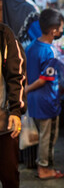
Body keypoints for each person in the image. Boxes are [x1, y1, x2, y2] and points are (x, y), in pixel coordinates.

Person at [25, 8, 64, 180]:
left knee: (43, 135)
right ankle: (45, 169)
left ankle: (43, 165)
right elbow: (43, 79)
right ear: (54, 30)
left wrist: (26, 91)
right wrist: (27, 89)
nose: (62, 30)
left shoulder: (31, 46)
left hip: (35, 100)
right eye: (61, 26)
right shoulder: (49, 51)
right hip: (46, 100)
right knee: (48, 137)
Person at [0, 23, 27, 188]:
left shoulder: (4, 35)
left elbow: (16, 75)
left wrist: (16, 111)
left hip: (3, 123)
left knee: (9, 175)